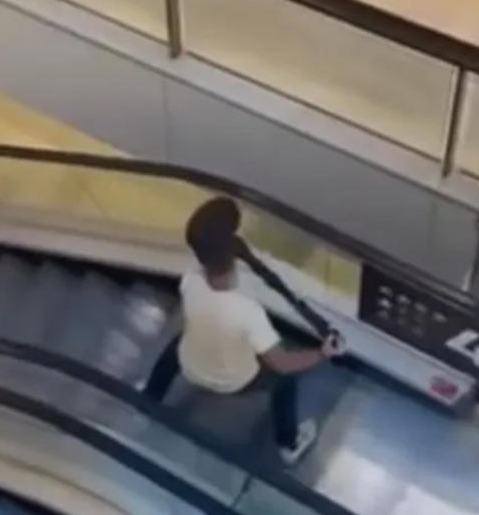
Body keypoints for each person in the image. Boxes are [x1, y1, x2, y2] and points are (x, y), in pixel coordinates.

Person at [144, 197, 344, 465]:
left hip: (189, 364)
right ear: (232, 252)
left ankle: (147, 400)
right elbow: (282, 364)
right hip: (233, 381)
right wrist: (322, 353)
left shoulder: (189, 281)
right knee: (285, 380)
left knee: (177, 346)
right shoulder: (247, 311)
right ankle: (289, 444)